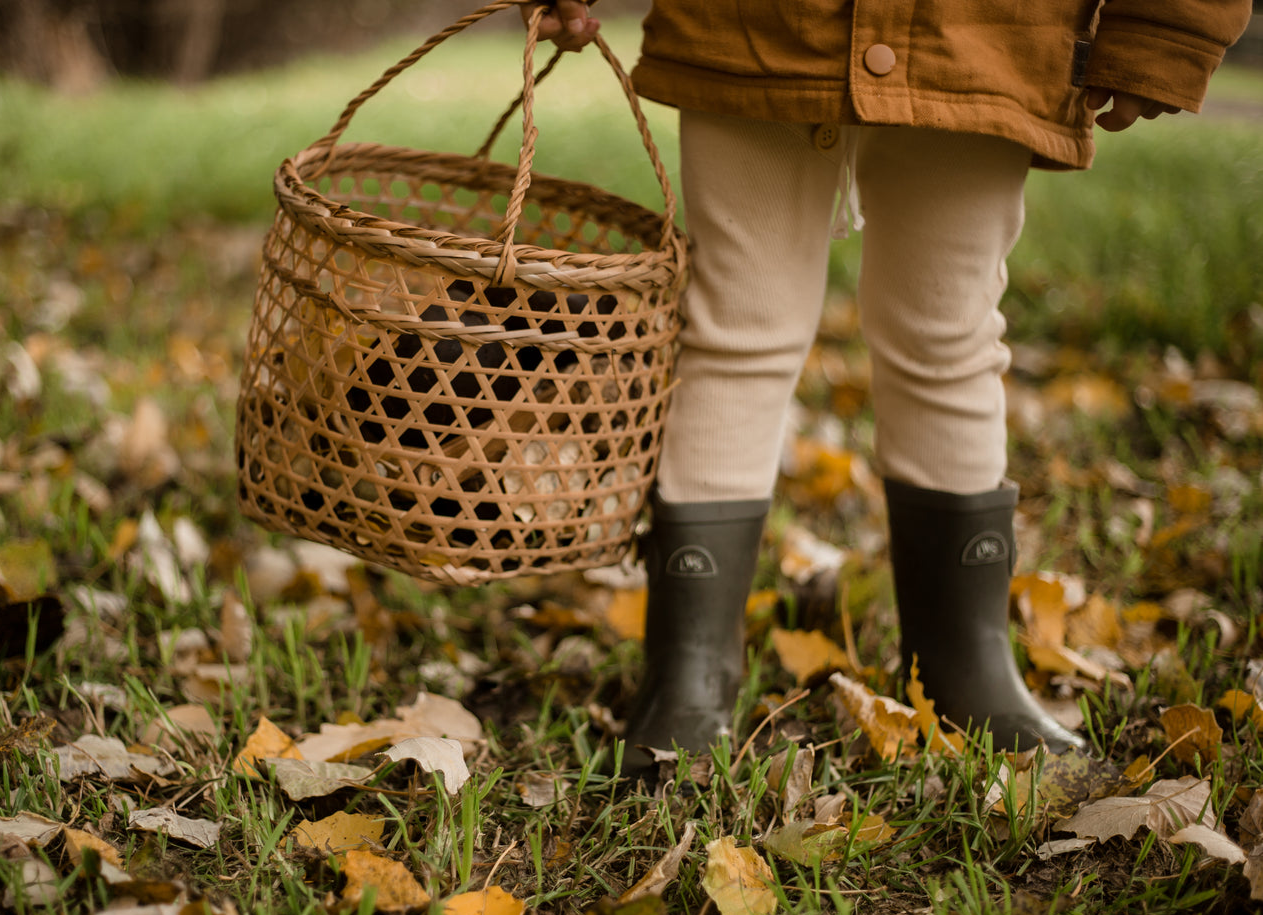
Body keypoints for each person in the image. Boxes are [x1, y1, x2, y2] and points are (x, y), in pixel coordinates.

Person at [521, 0, 1254, 770]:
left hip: (986, 35)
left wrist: (1168, 28)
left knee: (947, 331)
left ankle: (962, 664)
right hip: (757, 28)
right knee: (734, 326)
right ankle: (688, 673)